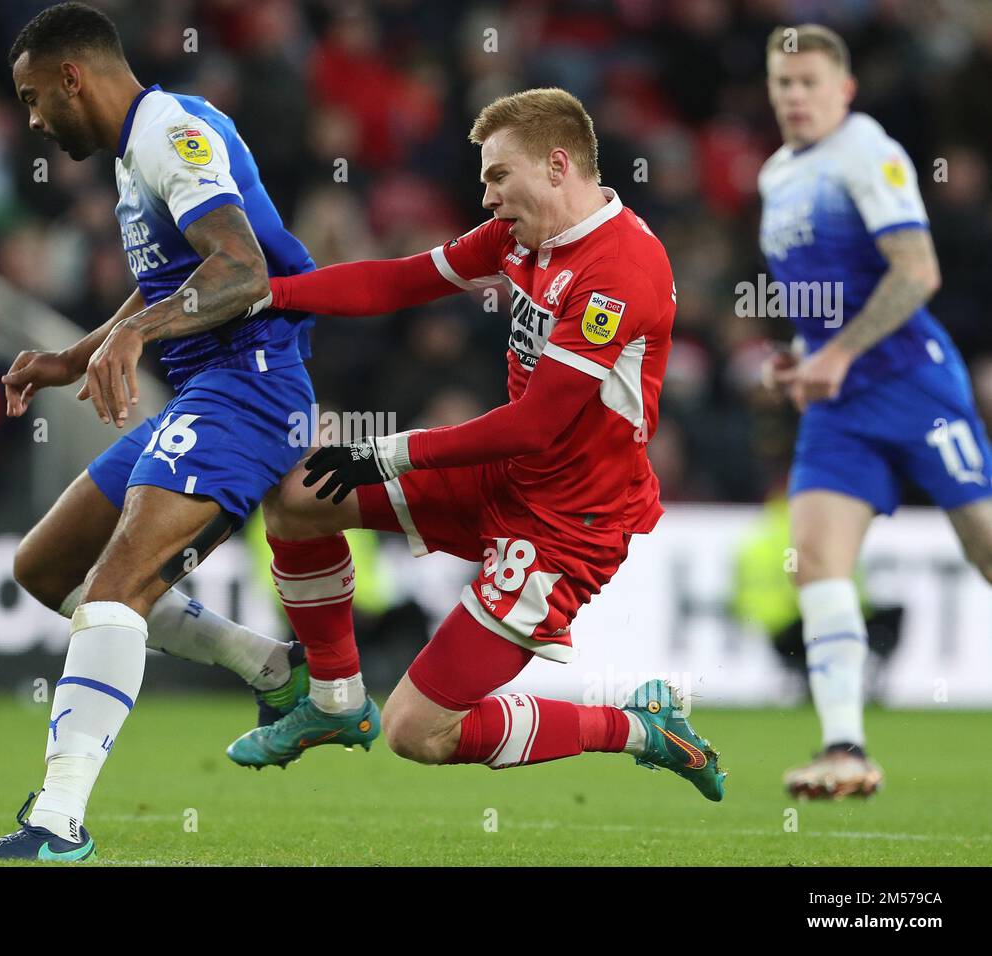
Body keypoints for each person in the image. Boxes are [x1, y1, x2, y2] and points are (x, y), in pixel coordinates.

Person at [226, 88, 726, 802]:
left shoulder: (620, 272)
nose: (486, 196)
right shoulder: (522, 236)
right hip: (502, 473)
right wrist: (274, 293)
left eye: (498, 176)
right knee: (298, 500)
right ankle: (332, 702)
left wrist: (389, 450)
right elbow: (397, 282)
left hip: (565, 525)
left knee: (418, 731)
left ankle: (642, 728)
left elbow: (536, 425)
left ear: (557, 166)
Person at [0, 2, 319, 861]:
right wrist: (74, 355)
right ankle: (274, 669)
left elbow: (241, 267)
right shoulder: (137, 152)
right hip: (207, 394)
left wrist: (136, 336)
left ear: (72, 75)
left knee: (117, 587)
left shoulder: (172, 131)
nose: (35, 120)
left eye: (35, 98)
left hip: (252, 390)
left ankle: (56, 824)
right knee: (43, 567)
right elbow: (177, 275)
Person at [758, 24, 992, 799]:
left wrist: (841, 354)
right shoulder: (774, 178)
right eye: (783, 83)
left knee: (986, 547)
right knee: (818, 563)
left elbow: (917, 273)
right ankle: (845, 749)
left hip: (915, 385)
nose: (795, 96)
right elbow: (816, 297)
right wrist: (801, 358)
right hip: (840, 404)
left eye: (809, 82)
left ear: (844, 88)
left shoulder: (868, 150)